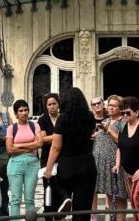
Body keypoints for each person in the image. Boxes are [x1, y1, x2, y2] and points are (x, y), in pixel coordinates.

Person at [44, 88, 98, 221]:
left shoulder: (62, 119)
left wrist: (48, 169)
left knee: (58, 185)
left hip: (67, 164)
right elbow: (92, 133)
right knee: (83, 211)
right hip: (87, 164)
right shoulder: (89, 116)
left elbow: (56, 147)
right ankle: (68, 202)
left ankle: (65, 198)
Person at [113, 97, 139, 221]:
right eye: (122, 113)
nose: (124, 115)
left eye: (128, 113)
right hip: (127, 171)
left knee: (136, 198)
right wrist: (117, 164)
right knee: (133, 200)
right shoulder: (122, 126)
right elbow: (120, 147)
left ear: (136, 112)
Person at [92, 95, 128, 221]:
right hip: (100, 162)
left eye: (114, 106)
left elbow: (122, 141)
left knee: (118, 193)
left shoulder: (123, 122)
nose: (110, 108)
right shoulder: (107, 120)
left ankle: (119, 219)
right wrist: (95, 136)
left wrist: (107, 130)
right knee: (107, 192)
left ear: (120, 108)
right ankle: (108, 218)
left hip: (114, 162)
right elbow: (100, 136)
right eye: (109, 105)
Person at [6, 99, 43, 216]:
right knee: (15, 199)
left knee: (29, 199)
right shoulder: (12, 128)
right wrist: (31, 146)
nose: (24, 113)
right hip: (15, 163)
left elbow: (39, 143)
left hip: (32, 163)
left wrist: (19, 145)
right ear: (16, 114)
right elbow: (10, 149)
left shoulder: (34, 125)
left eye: (26, 110)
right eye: (21, 111)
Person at [37, 93, 63, 218]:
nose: (52, 106)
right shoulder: (43, 120)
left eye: (54, 103)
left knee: (60, 188)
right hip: (47, 158)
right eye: (49, 104)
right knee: (48, 187)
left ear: (58, 104)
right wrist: (60, 136)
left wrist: (53, 137)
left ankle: (58, 215)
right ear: (46, 106)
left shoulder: (63, 118)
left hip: (62, 157)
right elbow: (43, 140)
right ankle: (48, 215)